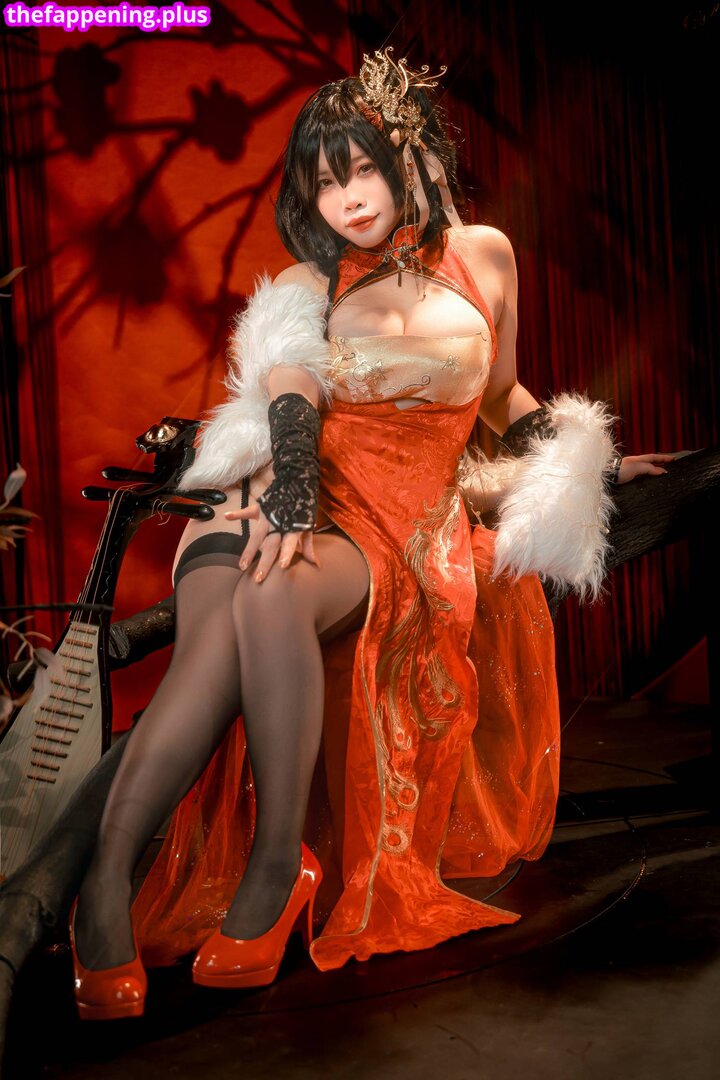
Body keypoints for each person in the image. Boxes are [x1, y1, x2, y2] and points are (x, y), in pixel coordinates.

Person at [69, 48, 673, 1018]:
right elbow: (292, 400)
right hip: (286, 498)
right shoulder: (307, 284)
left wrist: (585, 460)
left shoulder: (485, 255)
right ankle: (106, 886)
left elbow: (500, 395)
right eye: (323, 180)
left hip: (397, 524)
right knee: (224, 615)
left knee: (266, 596)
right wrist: (287, 497)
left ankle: (273, 870)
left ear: (410, 157)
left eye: (360, 170)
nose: (345, 198)